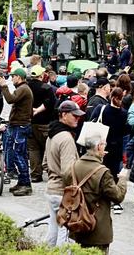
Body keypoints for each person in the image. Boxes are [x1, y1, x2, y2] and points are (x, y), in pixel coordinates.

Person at [63, 129, 130, 254]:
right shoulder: (102, 172)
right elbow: (118, 196)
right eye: (104, 144)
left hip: (77, 225)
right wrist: (122, 179)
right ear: (99, 147)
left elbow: (66, 183)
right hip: (97, 229)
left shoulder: (72, 167)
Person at [44, 100, 84, 246]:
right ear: (64, 115)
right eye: (75, 116)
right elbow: (67, 172)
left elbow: (44, 163)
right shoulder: (66, 137)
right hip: (62, 192)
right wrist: (75, 189)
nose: (78, 119)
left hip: (51, 189)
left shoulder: (52, 133)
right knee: (65, 233)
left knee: (53, 229)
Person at [0, 67, 34, 196]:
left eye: (13, 76)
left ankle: (26, 184)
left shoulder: (23, 89)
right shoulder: (23, 88)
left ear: (19, 77)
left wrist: (4, 86)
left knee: (18, 154)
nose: (11, 79)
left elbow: (10, 99)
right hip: (18, 124)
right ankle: (22, 182)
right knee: (19, 154)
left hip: (21, 125)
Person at [90, 86, 129, 180]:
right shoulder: (124, 113)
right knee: (112, 176)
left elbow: (91, 121)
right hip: (116, 149)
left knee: (98, 173)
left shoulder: (101, 109)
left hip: (100, 145)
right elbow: (125, 131)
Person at [27, 65, 55, 183]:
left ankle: (35, 174)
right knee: (48, 148)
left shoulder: (26, 87)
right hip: (44, 122)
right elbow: (50, 102)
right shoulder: (46, 88)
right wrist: (38, 110)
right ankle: (51, 173)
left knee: (33, 149)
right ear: (41, 75)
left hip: (30, 122)